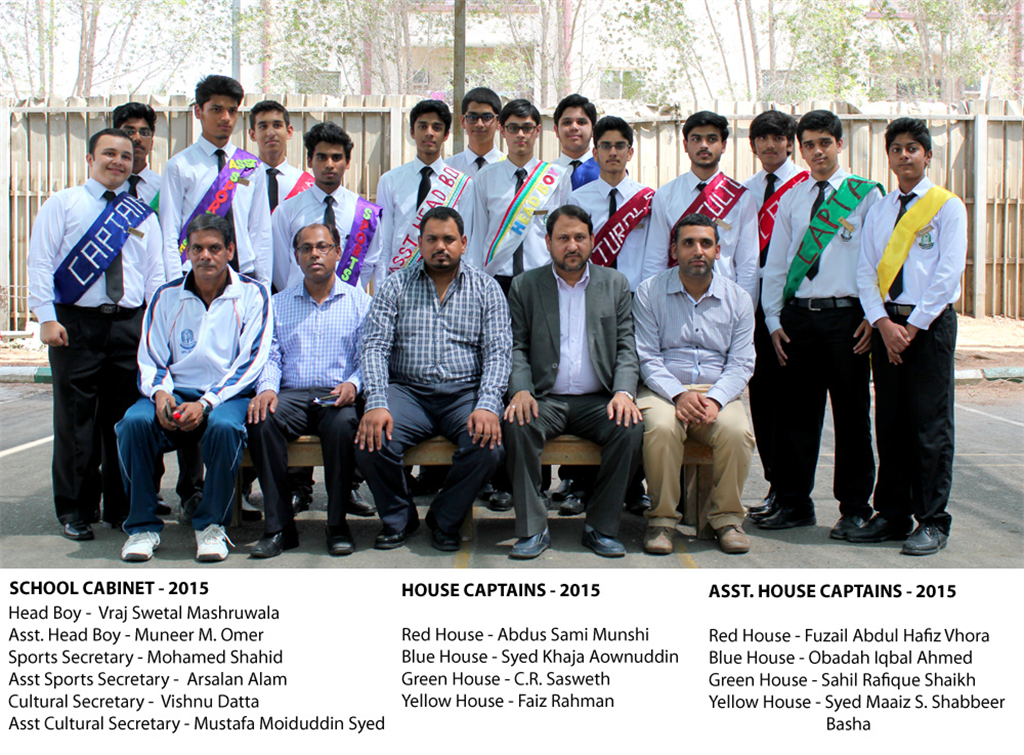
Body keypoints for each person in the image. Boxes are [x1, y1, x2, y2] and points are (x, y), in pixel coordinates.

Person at [27, 128, 164, 540]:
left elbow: (156, 276)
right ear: (90, 158)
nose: (117, 162)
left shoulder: (143, 215)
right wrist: (46, 317)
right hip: (75, 326)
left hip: (129, 325)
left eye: (125, 156)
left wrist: (155, 328)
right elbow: (40, 262)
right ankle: (76, 509)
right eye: (109, 153)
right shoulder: (63, 203)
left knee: (124, 422)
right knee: (76, 422)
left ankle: (121, 507)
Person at [117, 214, 272, 562]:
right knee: (133, 424)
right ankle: (141, 527)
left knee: (225, 428)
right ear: (187, 252)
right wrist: (160, 392)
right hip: (176, 391)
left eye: (214, 248)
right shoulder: (166, 295)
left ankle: (211, 526)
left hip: (226, 396)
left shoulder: (253, 294)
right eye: (197, 248)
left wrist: (206, 403)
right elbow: (151, 355)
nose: (206, 256)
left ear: (230, 251)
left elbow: (250, 361)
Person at [355, 207, 511, 552]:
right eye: (432, 239)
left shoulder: (486, 288)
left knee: (488, 446)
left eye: (448, 239)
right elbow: (375, 346)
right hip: (408, 393)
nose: (441, 246)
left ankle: (445, 518)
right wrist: (376, 402)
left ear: (463, 243)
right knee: (371, 440)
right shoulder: (395, 285)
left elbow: (499, 352)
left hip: (465, 393)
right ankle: (399, 518)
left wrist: (488, 404)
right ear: (420, 243)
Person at [759, 110, 883, 539]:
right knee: (795, 416)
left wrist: (872, 316)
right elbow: (777, 264)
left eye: (825, 143)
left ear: (839, 145)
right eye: (809, 144)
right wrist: (772, 318)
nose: (817, 151)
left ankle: (854, 508)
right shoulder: (793, 197)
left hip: (847, 319)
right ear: (801, 148)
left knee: (851, 417)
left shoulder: (865, 195)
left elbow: (879, 262)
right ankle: (794, 502)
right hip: (798, 318)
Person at [852, 118, 967, 556]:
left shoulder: (947, 207)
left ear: (928, 155)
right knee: (891, 422)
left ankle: (932, 520)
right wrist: (883, 324)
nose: (904, 156)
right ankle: (893, 514)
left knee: (930, 426)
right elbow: (866, 271)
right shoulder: (880, 209)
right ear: (889, 156)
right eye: (896, 149)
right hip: (888, 327)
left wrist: (912, 328)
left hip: (929, 327)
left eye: (913, 148)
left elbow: (947, 274)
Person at [503, 205, 643, 559]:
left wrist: (623, 392)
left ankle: (601, 527)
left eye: (580, 237)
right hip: (544, 398)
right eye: (563, 238)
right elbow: (516, 346)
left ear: (592, 240)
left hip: (598, 400)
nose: (572, 245)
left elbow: (627, 346)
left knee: (629, 428)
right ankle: (533, 529)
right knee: (518, 424)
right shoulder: (525, 285)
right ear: (548, 242)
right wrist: (521, 389)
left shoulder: (614, 284)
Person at [246, 223, 372, 557]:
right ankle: (279, 528)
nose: (314, 254)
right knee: (261, 419)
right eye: (306, 248)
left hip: (335, 395)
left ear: (338, 252)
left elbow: (369, 356)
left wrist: (354, 384)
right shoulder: (277, 303)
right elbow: (270, 355)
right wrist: (267, 389)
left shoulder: (360, 303)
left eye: (322, 246)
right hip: (291, 395)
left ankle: (337, 524)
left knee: (344, 425)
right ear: (296, 256)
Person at [634, 213, 756, 555]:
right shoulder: (649, 292)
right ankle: (661, 521)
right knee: (661, 429)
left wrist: (715, 400)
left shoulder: (738, 299)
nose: (697, 250)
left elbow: (742, 363)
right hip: (663, 391)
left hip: (717, 393)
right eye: (688, 243)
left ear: (718, 250)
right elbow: (646, 356)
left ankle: (727, 520)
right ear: (674, 250)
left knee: (737, 432)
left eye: (706, 243)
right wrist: (679, 394)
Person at [741, 110, 809, 522]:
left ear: (790, 143)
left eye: (778, 138)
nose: (770, 145)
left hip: (793, 306)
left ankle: (793, 492)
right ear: (752, 146)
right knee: (762, 400)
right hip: (755, 305)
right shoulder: (745, 191)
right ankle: (774, 486)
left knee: (793, 404)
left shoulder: (806, 185)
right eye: (762, 139)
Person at [160, 75, 272, 286]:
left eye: (232, 111)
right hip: (195, 274)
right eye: (216, 109)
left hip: (244, 275)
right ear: (198, 111)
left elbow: (261, 231)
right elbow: (169, 231)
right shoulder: (180, 166)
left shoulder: (252, 166)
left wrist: (264, 285)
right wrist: (176, 284)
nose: (226, 118)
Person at [642, 110, 758, 307]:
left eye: (712, 139)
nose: (704, 145)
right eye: (696, 139)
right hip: (674, 300)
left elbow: (748, 264)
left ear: (723, 145)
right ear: (685, 145)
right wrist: (654, 306)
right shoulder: (666, 195)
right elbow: (655, 258)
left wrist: (744, 310)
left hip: (724, 302)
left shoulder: (741, 198)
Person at [467, 99, 573, 295]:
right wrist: (475, 280)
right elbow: (478, 233)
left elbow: (565, 232)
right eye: (513, 128)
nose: (521, 134)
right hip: (496, 279)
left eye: (527, 128)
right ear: (502, 130)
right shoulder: (485, 177)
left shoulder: (558, 177)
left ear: (537, 130)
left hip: (542, 278)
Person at [373, 99, 475, 290]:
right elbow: (383, 244)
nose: (429, 132)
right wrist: (380, 289)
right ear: (412, 132)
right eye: (422, 126)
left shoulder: (462, 184)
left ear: (446, 135)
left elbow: (465, 244)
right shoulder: (390, 180)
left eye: (437, 127)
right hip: (401, 281)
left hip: (445, 281)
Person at [271, 121, 382, 293]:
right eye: (322, 157)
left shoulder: (365, 213)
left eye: (336, 158)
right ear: (310, 161)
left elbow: (367, 266)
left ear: (347, 162)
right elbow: (280, 268)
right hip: (299, 304)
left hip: (348, 305)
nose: (329, 164)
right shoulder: (287, 211)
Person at [248, 100, 314, 219]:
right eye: (263, 127)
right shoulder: (243, 180)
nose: (270, 133)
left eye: (277, 125)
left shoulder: (307, 184)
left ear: (289, 132)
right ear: (253, 134)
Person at [445, 87, 504, 178]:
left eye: (487, 117)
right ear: (462, 121)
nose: (479, 124)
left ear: (499, 122)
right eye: (472, 117)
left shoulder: (509, 167)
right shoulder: (448, 169)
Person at [111, 102, 161, 208]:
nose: (137, 138)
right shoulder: (107, 185)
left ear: (152, 142)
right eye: (130, 132)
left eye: (145, 133)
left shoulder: (162, 188)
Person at [553, 94, 599, 189]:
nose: (574, 127)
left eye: (581, 122)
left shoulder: (606, 171)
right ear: (556, 130)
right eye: (567, 122)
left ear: (593, 130)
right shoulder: (545, 175)